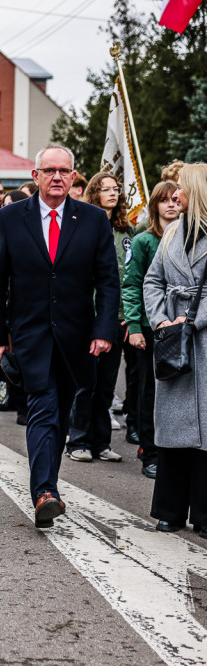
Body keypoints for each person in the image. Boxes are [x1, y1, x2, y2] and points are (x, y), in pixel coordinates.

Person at [0, 144, 119, 528]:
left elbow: (108, 281)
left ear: (75, 177)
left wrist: (103, 330)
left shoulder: (93, 220)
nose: (57, 177)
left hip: (77, 336)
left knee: (60, 412)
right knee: (43, 406)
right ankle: (45, 492)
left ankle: (48, 485)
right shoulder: (12, 217)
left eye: (64, 171)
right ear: (36, 177)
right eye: (49, 171)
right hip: (29, 334)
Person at [143, 163, 207, 538]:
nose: (174, 194)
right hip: (173, 341)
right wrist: (161, 320)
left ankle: (203, 513)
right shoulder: (169, 234)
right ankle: (168, 510)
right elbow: (153, 280)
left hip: (200, 340)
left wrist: (191, 320)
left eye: (180, 188)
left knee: (204, 431)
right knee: (172, 431)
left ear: (194, 191)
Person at [65, 172, 133, 464]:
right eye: (106, 189)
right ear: (95, 192)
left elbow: (128, 276)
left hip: (117, 317)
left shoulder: (125, 231)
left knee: (106, 384)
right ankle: (78, 440)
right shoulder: (84, 225)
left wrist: (129, 315)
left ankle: (101, 441)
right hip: (88, 317)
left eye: (116, 189)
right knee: (85, 383)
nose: (113, 193)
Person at [122, 180, 180, 479]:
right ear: (155, 205)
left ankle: (173, 451)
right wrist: (134, 325)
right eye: (163, 200)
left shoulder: (188, 236)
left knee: (178, 391)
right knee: (148, 392)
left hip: (183, 329)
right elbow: (131, 285)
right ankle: (150, 452)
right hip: (149, 327)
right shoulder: (144, 241)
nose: (171, 204)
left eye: (175, 199)